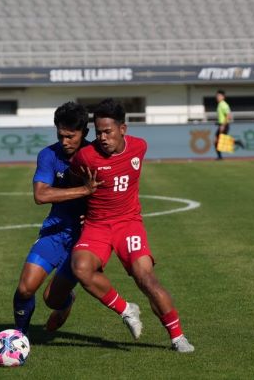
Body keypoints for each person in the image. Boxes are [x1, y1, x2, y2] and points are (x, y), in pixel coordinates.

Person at [68, 98, 195, 353]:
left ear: (122, 129)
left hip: (129, 224)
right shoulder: (84, 157)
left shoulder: (139, 147)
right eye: (98, 132)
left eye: (108, 132)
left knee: (145, 278)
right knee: (81, 269)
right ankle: (126, 310)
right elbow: (74, 183)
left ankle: (178, 337)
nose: (102, 138)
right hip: (97, 225)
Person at [13, 102, 98, 336]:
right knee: (24, 289)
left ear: (85, 133)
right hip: (55, 231)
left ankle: (65, 302)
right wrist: (84, 191)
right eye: (61, 135)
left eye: (71, 136)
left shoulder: (95, 158)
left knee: (51, 299)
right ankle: (20, 336)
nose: (65, 142)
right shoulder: (48, 155)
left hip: (85, 239)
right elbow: (40, 195)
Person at [214, 89, 243, 160]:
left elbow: (228, 115)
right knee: (218, 141)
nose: (217, 97)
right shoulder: (220, 104)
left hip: (224, 126)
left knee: (219, 141)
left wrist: (223, 125)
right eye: (217, 96)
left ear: (223, 97)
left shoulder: (223, 104)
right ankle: (220, 156)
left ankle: (220, 157)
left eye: (219, 96)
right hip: (221, 125)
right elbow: (222, 116)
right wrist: (218, 122)